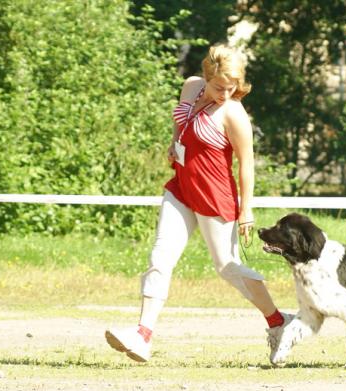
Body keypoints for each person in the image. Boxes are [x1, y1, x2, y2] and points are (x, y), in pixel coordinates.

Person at [105, 45, 293, 363]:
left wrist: (246, 210)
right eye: (220, 86)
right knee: (160, 256)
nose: (226, 93)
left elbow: (246, 164)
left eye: (232, 87)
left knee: (227, 267)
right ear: (207, 76)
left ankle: (279, 322)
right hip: (181, 188)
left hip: (214, 196)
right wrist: (174, 142)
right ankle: (143, 335)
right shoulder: (191, 86)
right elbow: (181, 119)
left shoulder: (233, 113)